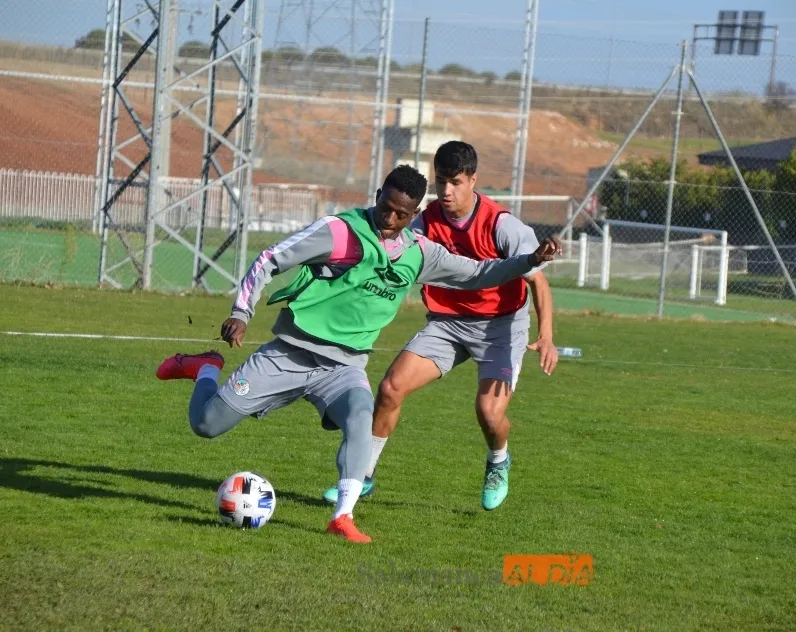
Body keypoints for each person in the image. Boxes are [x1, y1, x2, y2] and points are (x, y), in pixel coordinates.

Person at [154, 165, 561, 543]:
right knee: (207, 424)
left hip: (344, 365)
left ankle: (342, 517)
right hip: (291, 354)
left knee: (362, 414)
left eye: (402, 214)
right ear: (378, 194)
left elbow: (476, 273)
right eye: (386, 207)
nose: (390, 219)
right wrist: (241, 313)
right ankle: (207, 368)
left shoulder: (420, 252)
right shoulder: (340, 232)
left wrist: (529, 261)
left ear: (414, 213)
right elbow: (270, 259)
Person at [322, 141, 558, 512]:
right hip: (448, 324)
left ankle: (498, 460)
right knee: (390, 388)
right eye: (441, 181)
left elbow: (538, 281)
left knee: (489, 412)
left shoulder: (501, 225)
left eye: (456, 182)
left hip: (500, 327)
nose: (446, 191)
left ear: (473, 181)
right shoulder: (425, 220)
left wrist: (546, 336)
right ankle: (362, 477)